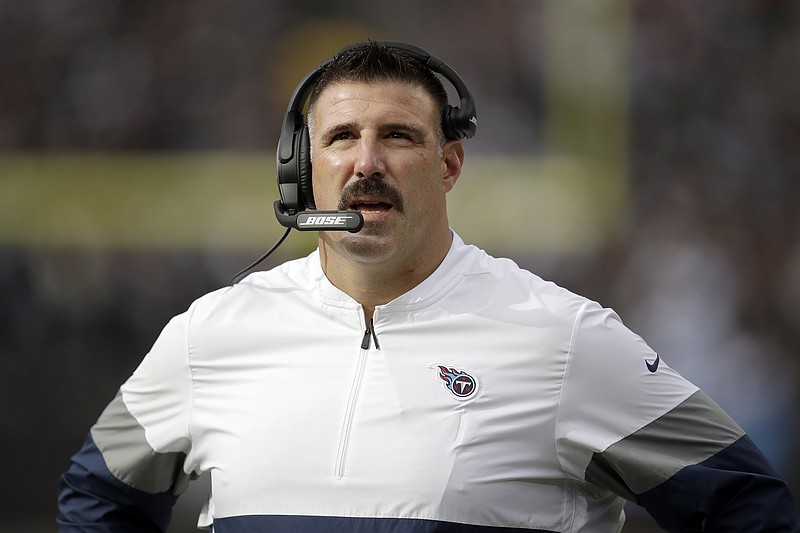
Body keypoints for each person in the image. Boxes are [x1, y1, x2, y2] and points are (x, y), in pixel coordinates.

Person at [58, 41, 799, 533]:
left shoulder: (563, 336)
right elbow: (96, 497)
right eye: (341, 137)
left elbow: (748, 508)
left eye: (399, 136)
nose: (366, 161)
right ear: (301, 170)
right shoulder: (210, 333)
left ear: (448, 166)